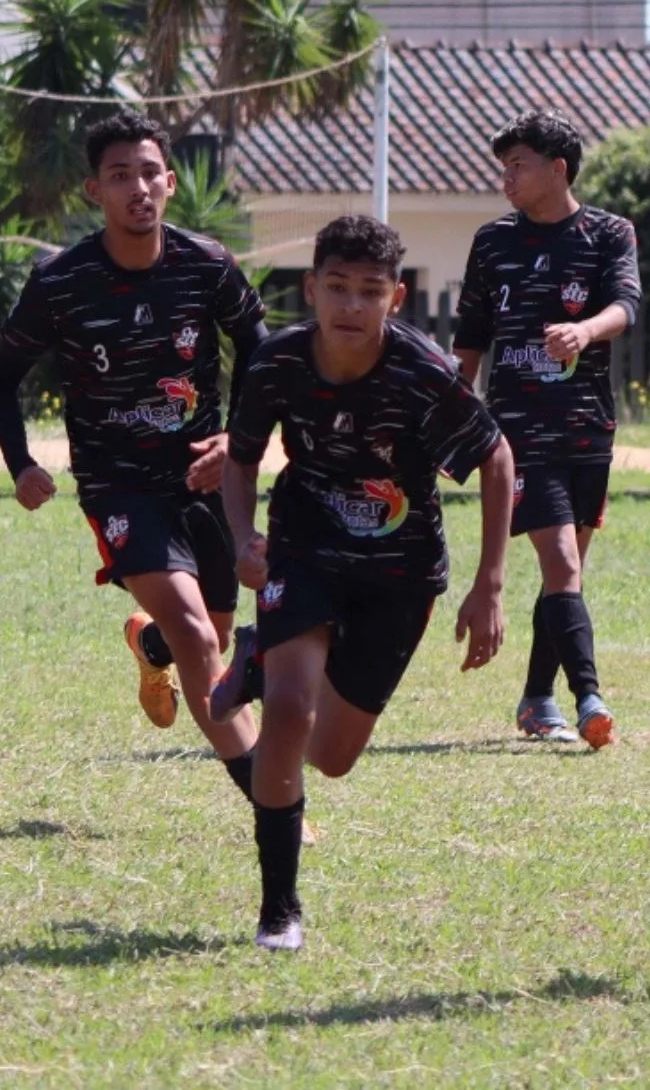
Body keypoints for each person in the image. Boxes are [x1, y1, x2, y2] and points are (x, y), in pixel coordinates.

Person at [214, 215, 513, 951]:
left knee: (334, 756)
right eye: (337, 288)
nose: (351, 305)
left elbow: (498, 459)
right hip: (306, 547)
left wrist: (490, 586)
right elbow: (241, 460)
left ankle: (256, 651)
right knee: (288, 711)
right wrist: (239, 542)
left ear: (397, 298)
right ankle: (279, 908)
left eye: (369, 291)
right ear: (310, 288)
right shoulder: (278, 364)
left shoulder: (422, 375)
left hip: (400, 571)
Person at [0, 108, 264, 806]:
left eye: (149, 173)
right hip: (118, 487)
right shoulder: (62, 282)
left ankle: (150, 646)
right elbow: (0, 374)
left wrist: (237, 440)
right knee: (203, 639)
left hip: (206, 480)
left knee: (216, 631)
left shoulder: (207, 265)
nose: (137, 187)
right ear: (94, 191)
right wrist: (20, 461)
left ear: (170, 183)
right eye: (120, 176)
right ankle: (272, 797)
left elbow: (266, 358)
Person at [454, 109, 641, 749]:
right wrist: (453, 415)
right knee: (561, 561)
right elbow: (471, 340)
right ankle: (589, 697)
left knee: (569, 577)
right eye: (502, 167)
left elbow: (626, 304)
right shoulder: (493, 242)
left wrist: (584, 330)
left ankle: (537, 699)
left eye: (518, 166)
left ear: (558, 170)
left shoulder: (609, 233)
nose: (506, 179)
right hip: (517, 433)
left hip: (588, 427)